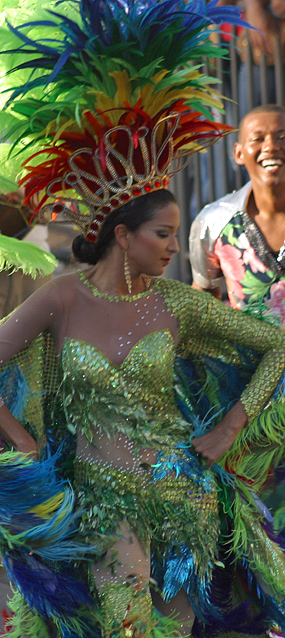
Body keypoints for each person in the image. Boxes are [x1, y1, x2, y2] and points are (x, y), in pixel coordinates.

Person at [1, 1, 285, 637]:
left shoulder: (178, 303)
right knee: (125, 625)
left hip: (184, 495)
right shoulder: (62, 297)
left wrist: (229, 428)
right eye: (162, 234)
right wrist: (23, 444)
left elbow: (278, 346)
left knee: (178, 628)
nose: (170, 248)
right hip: (100, 502)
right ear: (122, 236)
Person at [189, 104, 285, 322]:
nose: (271, 146)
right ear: (239, 153)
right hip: (246, 355)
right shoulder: (213, 221)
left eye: (282, 137)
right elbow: (204, 301)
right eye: (258, 139)